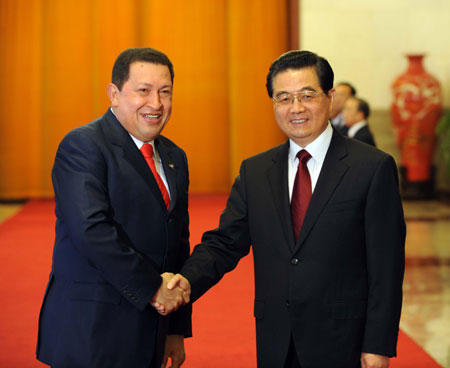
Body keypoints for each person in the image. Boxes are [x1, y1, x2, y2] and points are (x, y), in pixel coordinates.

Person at [167, 50, 405, 368]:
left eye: (307, 95)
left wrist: (378, 345)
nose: (296, 108)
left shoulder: (372, 167)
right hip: (277, 341)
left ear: (330, 97)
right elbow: (225, 243)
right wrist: (186, 281)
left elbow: (387, 267)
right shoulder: (256, 170)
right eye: (284, 98)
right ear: (274, 104)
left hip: (344, 341)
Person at [36, 47, 191, 368]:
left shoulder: (175, 156)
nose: (156, 104)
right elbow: (92, 231)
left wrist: (176, 329)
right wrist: (153, 288)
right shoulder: (83, 145)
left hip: (151, 330)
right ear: (115, 94)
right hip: (93, 331)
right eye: (143, 91)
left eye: (165, 92)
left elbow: (177, 245)